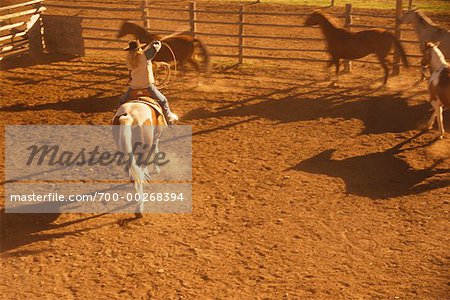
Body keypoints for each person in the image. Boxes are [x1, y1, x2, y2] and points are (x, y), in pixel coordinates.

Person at [120, 39, 178, 124]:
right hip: (147, 86)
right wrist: (157, 41)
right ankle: (169, 118)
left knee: (121, 101)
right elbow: (156, 47)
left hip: (133, 87)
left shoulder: (128, 60)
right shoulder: (146, 55)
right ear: (139, 48)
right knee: (163, 101)